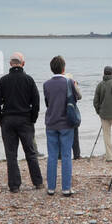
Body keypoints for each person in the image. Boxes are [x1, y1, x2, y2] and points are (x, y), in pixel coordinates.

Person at [0, 52, 43, 193]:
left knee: (11, 154)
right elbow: (36, 102)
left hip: (8, 120)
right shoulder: (29, 80)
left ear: (10, 64)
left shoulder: (3, 81)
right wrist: (32, 118)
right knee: (31, 153)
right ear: (23, 64)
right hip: (25, 119)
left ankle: (14, 185)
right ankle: (38, 182)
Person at [42, 56, 80, 196]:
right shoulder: (69, 82)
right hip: (66, 123)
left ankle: (51, 187)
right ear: (63, 68)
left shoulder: (46, 84)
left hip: (51, 122)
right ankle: (66, 188)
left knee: (52, 156)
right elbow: (76, 98)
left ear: (52, 68)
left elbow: (47, 102)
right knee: (66, 155)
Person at [93, 65, 112, 162]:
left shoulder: (100, 85)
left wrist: (99, 111)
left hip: (104, 114)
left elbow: (95, 101)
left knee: (106, 135)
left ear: (104, 73)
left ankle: (109, 157)